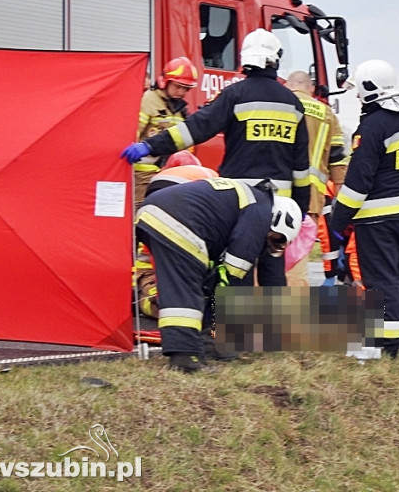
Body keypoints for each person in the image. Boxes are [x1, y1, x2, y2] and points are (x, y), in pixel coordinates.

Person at [121, 28, 311, 286]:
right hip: (279, 203)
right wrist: (300, 208)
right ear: (276, 58)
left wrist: (151, 146)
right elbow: (300, 167)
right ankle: (271, 325)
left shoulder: (236, 94)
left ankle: (235, 324)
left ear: (246, 59)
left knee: (238, 264)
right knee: (272, 268)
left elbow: (196, 128)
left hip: (241, 200)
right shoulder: (292, 103)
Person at [134, 177, 302, 373]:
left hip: (154, 213)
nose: (272, 244)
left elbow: (251, 272)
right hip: (180, 220)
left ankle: (204, 346)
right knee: (185, 291)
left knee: (189, 284)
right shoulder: (261, 211)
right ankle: (186, 358)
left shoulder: (250, 201)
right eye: (277, 239)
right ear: (278, 220)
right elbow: (236, 271)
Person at [329, 59, 399, 358]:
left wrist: (338, 218)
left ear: (370, 89)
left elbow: (358, 182)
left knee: (380, 280)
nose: (356, 97)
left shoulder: (371, 127)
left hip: (377, 218)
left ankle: (387, 344)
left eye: (358, 91)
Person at [283, 70, 348, 287]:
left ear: (287, 85)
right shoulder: (326, 113)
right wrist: (339, 198)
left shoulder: (279, 105)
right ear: (311, 89)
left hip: (277, 192)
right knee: (297, 258)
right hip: (310, 198)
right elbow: (338, 158)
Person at [132, 57, 199, 209]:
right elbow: (133, 133)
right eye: (178, 86)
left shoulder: (179, 108)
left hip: (171, 173)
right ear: (165, 82)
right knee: (142, 211)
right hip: (145, 175)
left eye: (186, 88)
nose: (181, 92)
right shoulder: (149, 100)